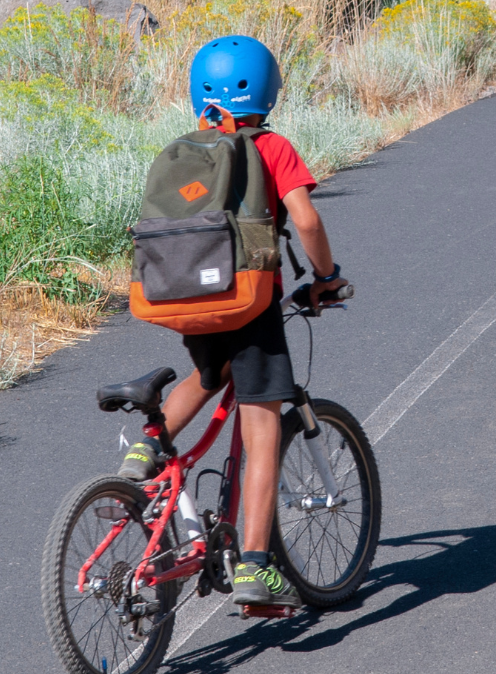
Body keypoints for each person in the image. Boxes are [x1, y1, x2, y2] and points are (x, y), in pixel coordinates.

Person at [117, 35, 347, 609]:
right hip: (247, 301)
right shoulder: (271, 146)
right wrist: (326, 275)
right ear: (269, 89)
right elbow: (307, 221)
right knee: (262, 427)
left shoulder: (189, 149)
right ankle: (255, 565)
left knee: (210, 370)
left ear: (198, 91)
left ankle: (149, 445)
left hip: (186, 296)